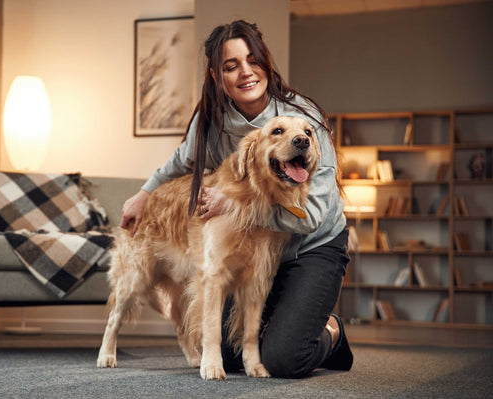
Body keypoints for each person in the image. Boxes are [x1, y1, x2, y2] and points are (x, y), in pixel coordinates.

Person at [120, 20, 352, 378]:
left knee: (283, 359)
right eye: (231, 65)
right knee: (226, 356)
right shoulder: (212, 122)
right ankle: (284, 321)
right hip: (259, 245)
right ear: (217, 76)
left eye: (253, 60)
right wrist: (143, 194)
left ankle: (331, 334)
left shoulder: (304, 122)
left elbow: (312, 217)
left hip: (311, 246)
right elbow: (182, 159)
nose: (246, 72)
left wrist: (233, 205)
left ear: (266, 63)